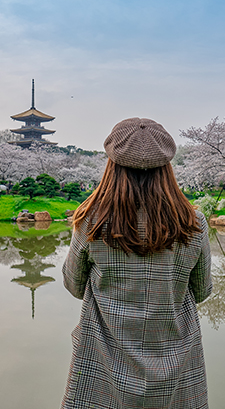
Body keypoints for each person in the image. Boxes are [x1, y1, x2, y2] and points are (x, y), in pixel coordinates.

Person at [61, 118, 212, 409]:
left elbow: (74, 284)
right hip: (176, 359)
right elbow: (203, 290)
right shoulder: (194, 224)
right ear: (166, 168)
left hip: (104, 358)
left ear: (112, 166)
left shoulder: (91, 222)